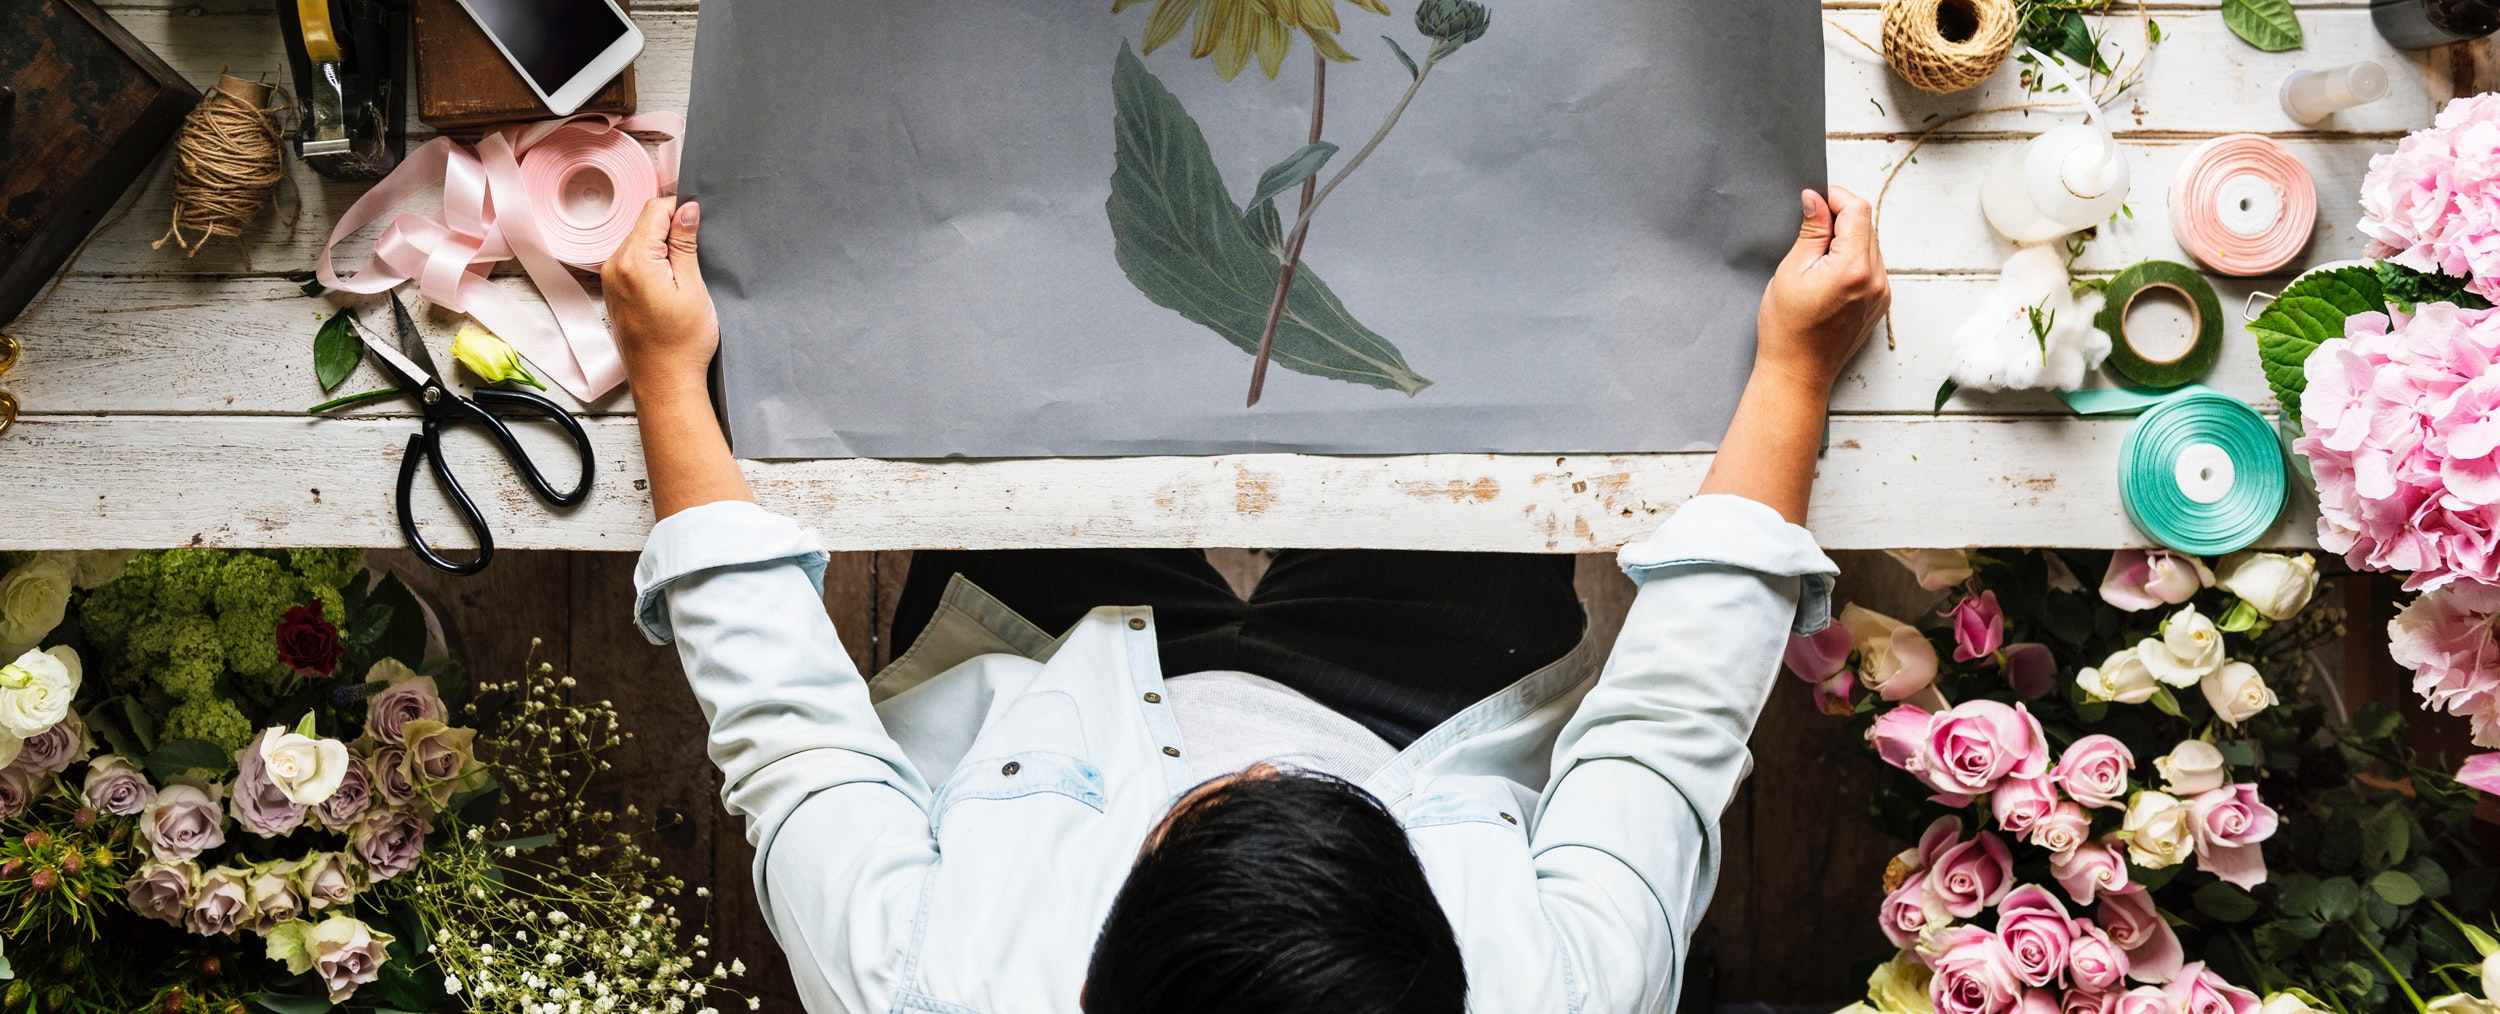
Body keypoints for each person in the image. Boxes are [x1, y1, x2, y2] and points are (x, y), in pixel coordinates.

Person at [604, 184, 1889, 1014]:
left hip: (1052, 682)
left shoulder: (930, 985)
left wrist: (666, 374)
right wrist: (1787, 373)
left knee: (1029, 269)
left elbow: (791, 736)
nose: (1266, 760)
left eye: (1216, 802)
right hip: (1419, 717)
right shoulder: (1560, 992)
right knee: (1458, 307)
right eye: (1312, 803)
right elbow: (1666, 731)